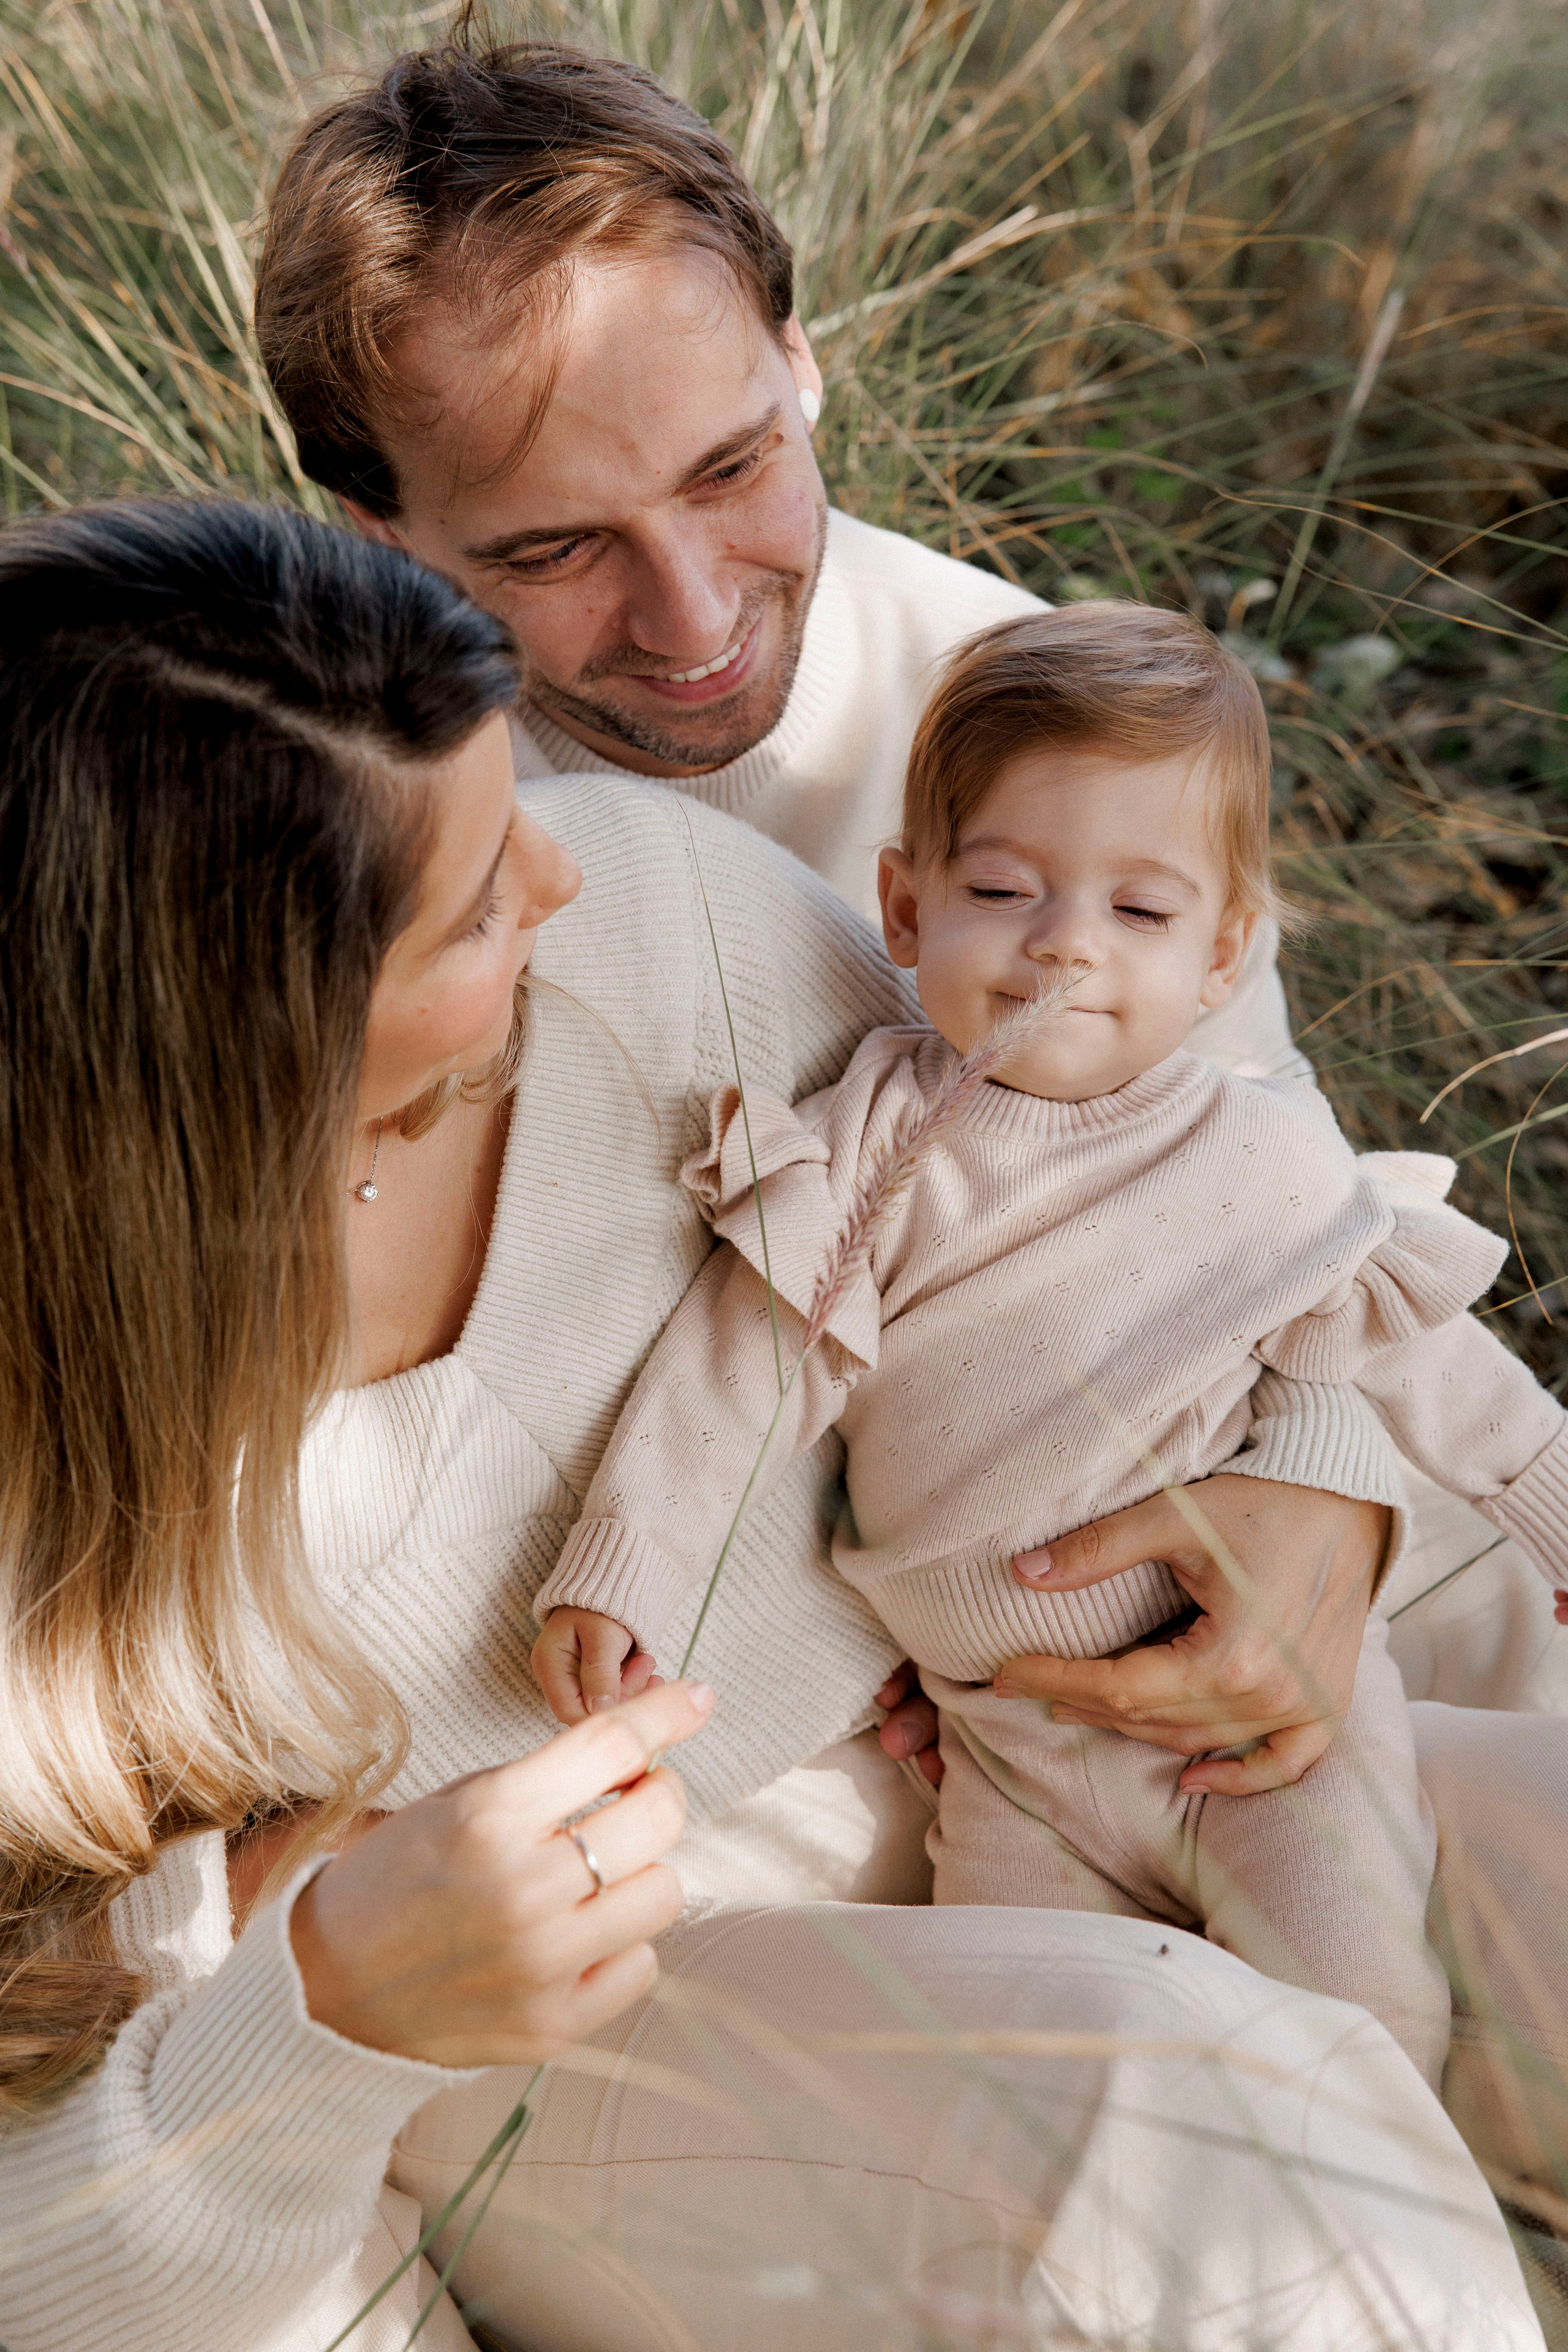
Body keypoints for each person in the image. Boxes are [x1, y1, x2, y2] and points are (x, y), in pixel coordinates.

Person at [251, 31, 1568, 2237]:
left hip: (1267, 1548)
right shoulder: (357, 874)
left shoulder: (1016, 696)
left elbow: (1275, 1194)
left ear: (808, 360)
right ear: (372, 531)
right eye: (560, 545)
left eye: (735, 468)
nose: (687, 617)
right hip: (859, 1744)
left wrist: (1324, 1500)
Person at [0, 500, 1545, 2352]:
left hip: (1058, 1729)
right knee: (1200, 2140)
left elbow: (1117, 1166)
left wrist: (1322, 1484)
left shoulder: (658, 912)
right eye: (483, 894)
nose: (562, 883)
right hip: (591, 2022)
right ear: (255, 1037)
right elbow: (51, 2228)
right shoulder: (62, 1506)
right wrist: (326, 2008)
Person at [530, 603, 1567, 2089]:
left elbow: (1437, 1371)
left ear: (1221, 955)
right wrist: (628, 1562)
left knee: (1359, 2026)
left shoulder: (1254, 1160)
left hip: (1262, 1733)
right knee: (1052, 2063)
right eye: (1005, 889)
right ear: (903, 911)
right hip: (1001, 1746)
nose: (1065, 946)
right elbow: (740, 1369)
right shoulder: (870, 1144)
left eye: (1137, 916)